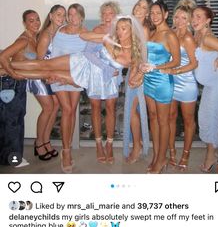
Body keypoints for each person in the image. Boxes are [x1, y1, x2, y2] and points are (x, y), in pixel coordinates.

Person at [9, 15, 147, 172]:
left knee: (46, 72)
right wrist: (105, 39)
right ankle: (5, 65)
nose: (120, 32)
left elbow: (133, 80)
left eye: (124, 29)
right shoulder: (110, 41)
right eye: (118, 28)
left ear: (132, 31)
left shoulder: (134, 55)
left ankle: (8, 70)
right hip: (80, 61)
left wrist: (141, 73)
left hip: (88, 77)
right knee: (45, 65)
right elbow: (86, 41)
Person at [140, 0, 180, 173]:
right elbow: (146, 55)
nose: (155, 16)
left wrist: (157, 67)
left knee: (163, 122)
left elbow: (176, 61)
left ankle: (162, 159)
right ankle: (157, 155)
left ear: (166, 14)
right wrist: (143, 65)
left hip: (163, 81)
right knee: (153, 119)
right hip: (148, 80)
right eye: (152, 13)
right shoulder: (152, 32)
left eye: (158, 13)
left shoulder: (169, 35)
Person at [49, 3, 88, 172]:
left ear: (81, 16)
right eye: (69, 15)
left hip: (75, 78)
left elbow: (88, 59)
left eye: (75, 15)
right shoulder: (60, 31)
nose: (72, 18)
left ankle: (68, 147)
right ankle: (65, 152)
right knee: (66, 110)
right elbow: (52, 55)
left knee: (72, 111)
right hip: (58, 76)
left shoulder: (86, 34)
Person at [161, 0, 198, 171]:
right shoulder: (170, 33)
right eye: (176, 17)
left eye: (183, 18)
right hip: (170, 82)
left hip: (186, 83)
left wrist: (175, 71)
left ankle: (186, 153)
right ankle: (172, 151)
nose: (179, 21)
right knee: (170, 118)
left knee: (189, 121)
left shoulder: (189, 39)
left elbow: (193, 63)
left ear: (189, 20)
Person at [0, 10, 41, 166]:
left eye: (37, 19)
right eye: (31, 20)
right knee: (13, 121)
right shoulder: (24, 40)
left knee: (14, 119)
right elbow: (3, 57)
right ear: (25, 23)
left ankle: (8, 158)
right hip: (11, 83)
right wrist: (13, 74)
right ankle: (13, 160)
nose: (36, 23)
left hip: (17, 83)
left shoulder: (34, 38)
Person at [27, 5, 66, 160]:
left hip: (50, 77)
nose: (61, 18)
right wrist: (46, 78)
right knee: (48, 107)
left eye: (63, 15)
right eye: (58, 14)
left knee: (55, 106)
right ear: (50, 16)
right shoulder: (45, 35)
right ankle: (39, 144)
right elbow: (39, 62)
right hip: (39, 77)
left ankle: (46, 140)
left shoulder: (59, 34)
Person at [191, 6, 218, 173]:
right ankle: (214, 156)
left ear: (208, 20)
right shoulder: (198, 36)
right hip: (209, 86)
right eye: (193, 17)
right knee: (204, 120)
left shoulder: (208, 39)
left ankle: (210, 159)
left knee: (211, 121)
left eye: (198, 17)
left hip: (217, 85)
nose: (194, 20)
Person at [89, 1, 121, 164]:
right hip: (96, 73)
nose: (108, 16)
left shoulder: (121, 31)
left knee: (110, 108)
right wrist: (104, 68)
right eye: (105, 13)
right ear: (101, 15)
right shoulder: (97, 30)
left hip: (113, 74)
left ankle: (109, 144)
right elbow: (88, 54)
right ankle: (98, 144)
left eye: (111, 13)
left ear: (116, 14)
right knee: (95, 107)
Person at [123, 0, 153, 163]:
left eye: (143, 7)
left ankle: (137, 146)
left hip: (139, 73)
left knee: (132, 110)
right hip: (132, 71)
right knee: (131, 110)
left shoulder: (144, 29)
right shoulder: (132, 25)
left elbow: (143, 56)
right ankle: (138, 143)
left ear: (147, 13)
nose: (139, 8)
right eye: (138, 5)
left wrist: (135, 74)